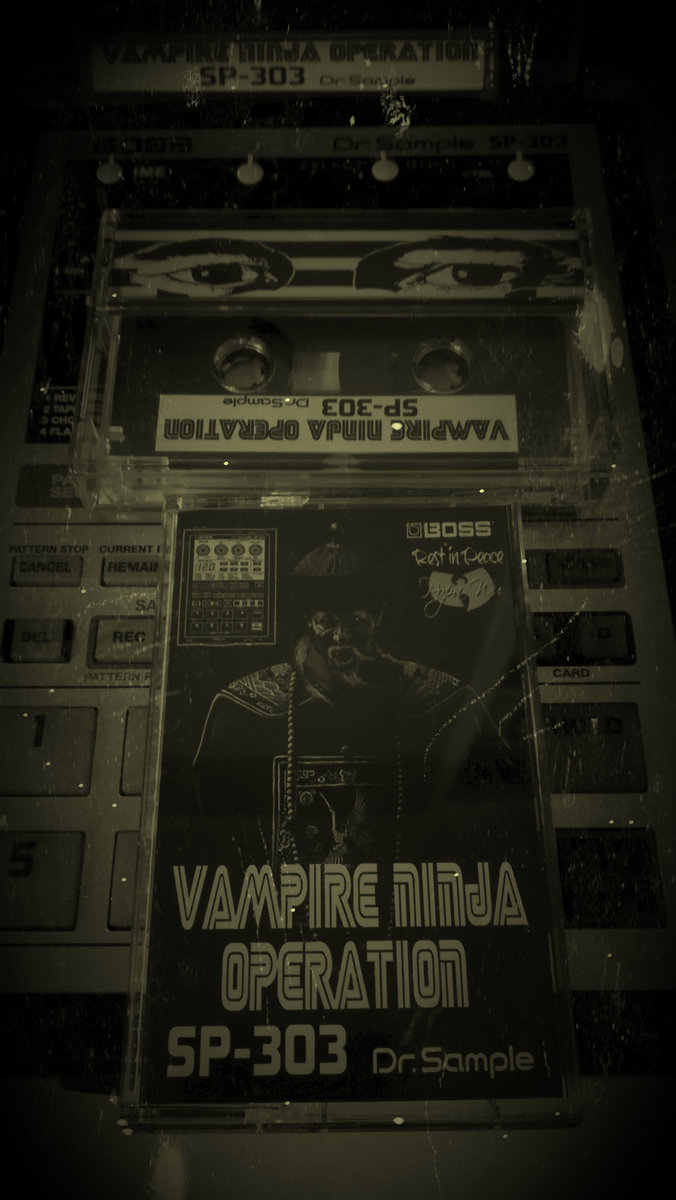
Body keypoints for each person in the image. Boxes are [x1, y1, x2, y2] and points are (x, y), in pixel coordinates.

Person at [193, 523, 524, 873]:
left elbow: (487, 819)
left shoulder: (445, 704)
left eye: (355, 621)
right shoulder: (243, 711)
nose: (341, 636)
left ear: (377, 618)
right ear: (309, 620)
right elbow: (218, 835)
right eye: (326, 621)